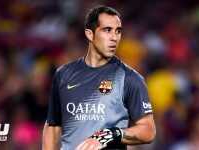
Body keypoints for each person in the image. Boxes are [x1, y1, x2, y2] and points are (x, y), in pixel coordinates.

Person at [42, 5, 156, 150]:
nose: (114, 37)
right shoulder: (63, 74)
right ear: (90, 34)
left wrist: (110, 134)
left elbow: (148, 131)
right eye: (107, 30)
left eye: (118, 31)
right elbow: (53, 126)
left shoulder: (130, 78)